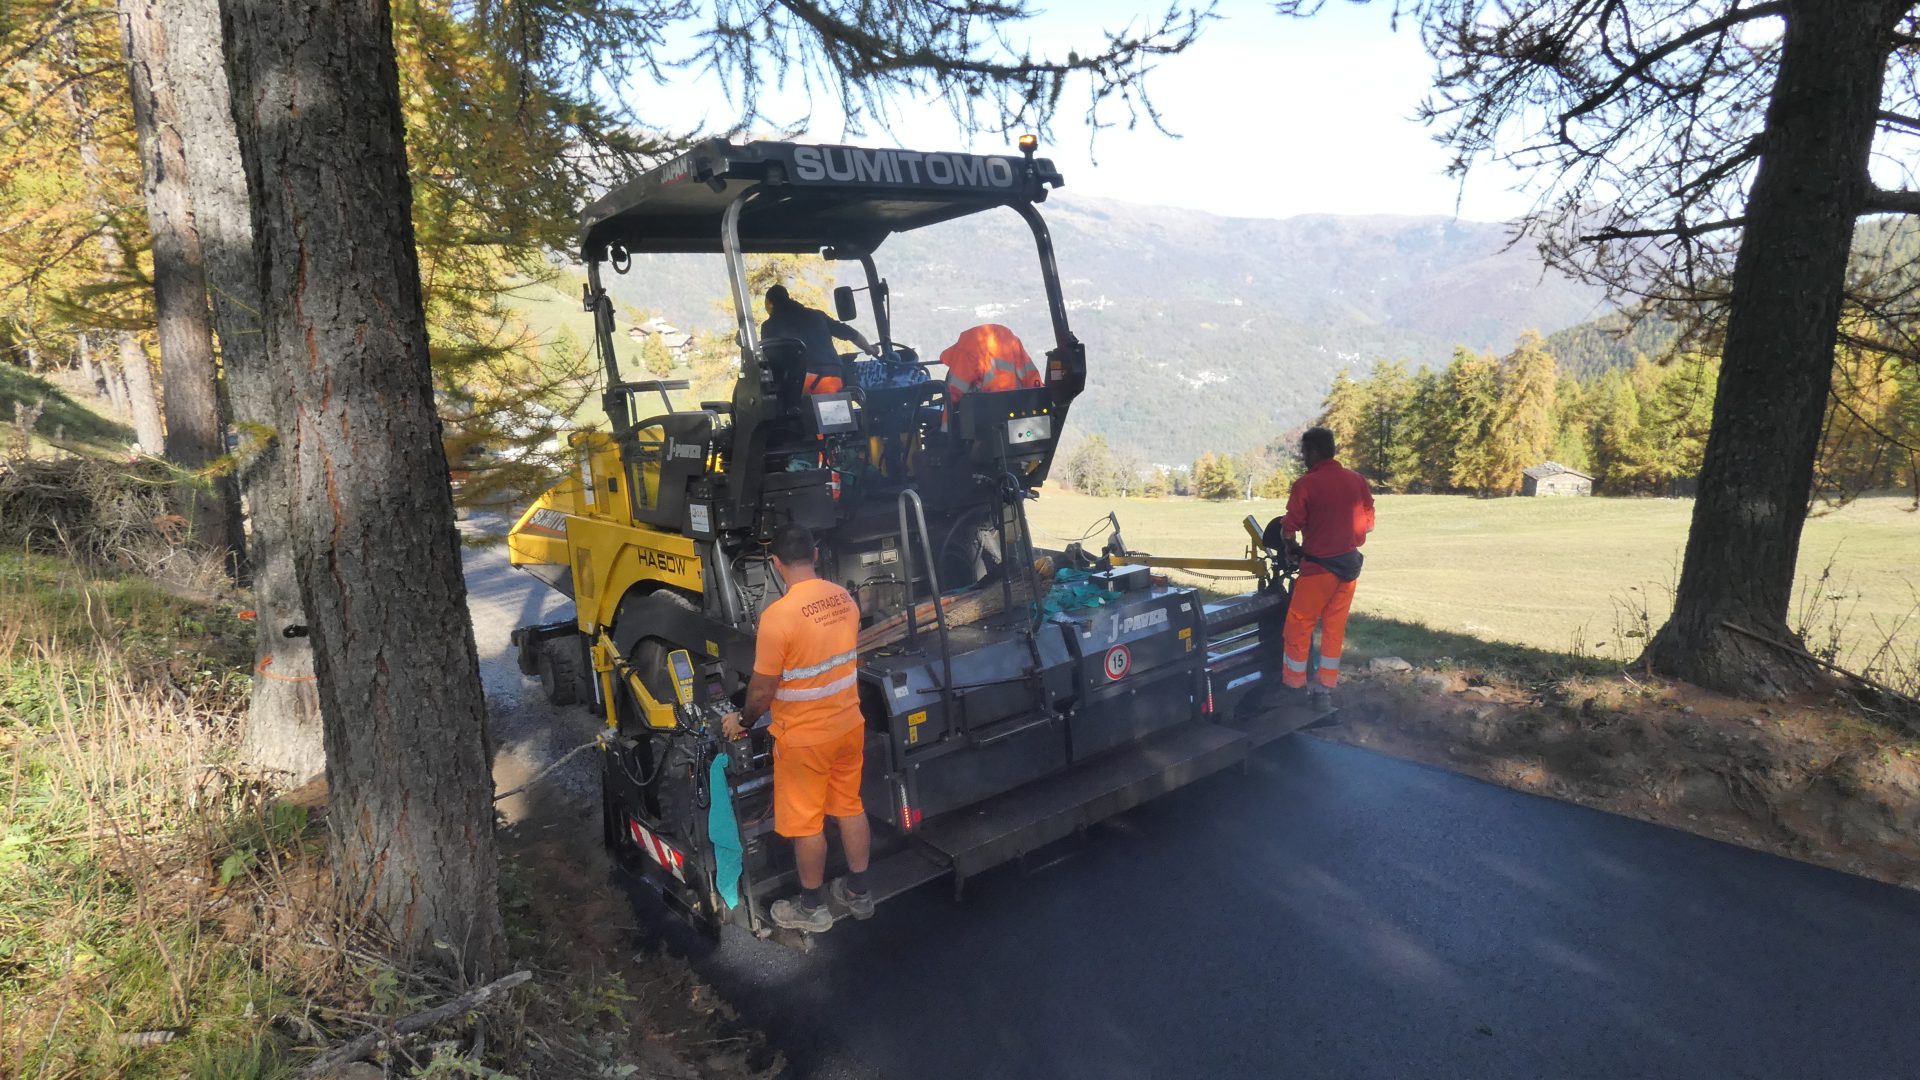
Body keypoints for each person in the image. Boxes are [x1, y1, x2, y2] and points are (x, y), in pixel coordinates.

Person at [721, 523, 872, 931]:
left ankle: (811, 907)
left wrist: (742, 720)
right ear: (816, 555)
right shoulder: (844, 599)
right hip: (849, 725)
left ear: (775, 564)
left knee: (807, 824)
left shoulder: (778, 618)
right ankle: (859, 893)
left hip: (806, 741)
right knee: (850, 806)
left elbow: (762, 688)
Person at [1270, 426, 1375, 709]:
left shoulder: (1306, 484)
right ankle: (1323, 690)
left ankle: (1293, 687)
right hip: (1349, 568)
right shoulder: (1356, 480)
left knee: (1298, 625)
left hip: (1318, 569)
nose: (1303, 457)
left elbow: (1289, 527)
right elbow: (1368, 524)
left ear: (1314, 452)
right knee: (1333, 627)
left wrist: (1291, 546)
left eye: (1304, 451)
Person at [760, 284, 879, 394]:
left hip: (802, 383)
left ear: (770, 304)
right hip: (833, 379)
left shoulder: (769, 326)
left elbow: (769, 359)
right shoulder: (817, 315)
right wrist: (870, 349)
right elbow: (850, 333)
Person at [938, 323, 1042, 414]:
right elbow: (1030, 374)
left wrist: (945, 429)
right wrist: (1041, 397)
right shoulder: (1010, 339)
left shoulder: (964, 350)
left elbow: (954, 392)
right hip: (1018, 406)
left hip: (987, 412)